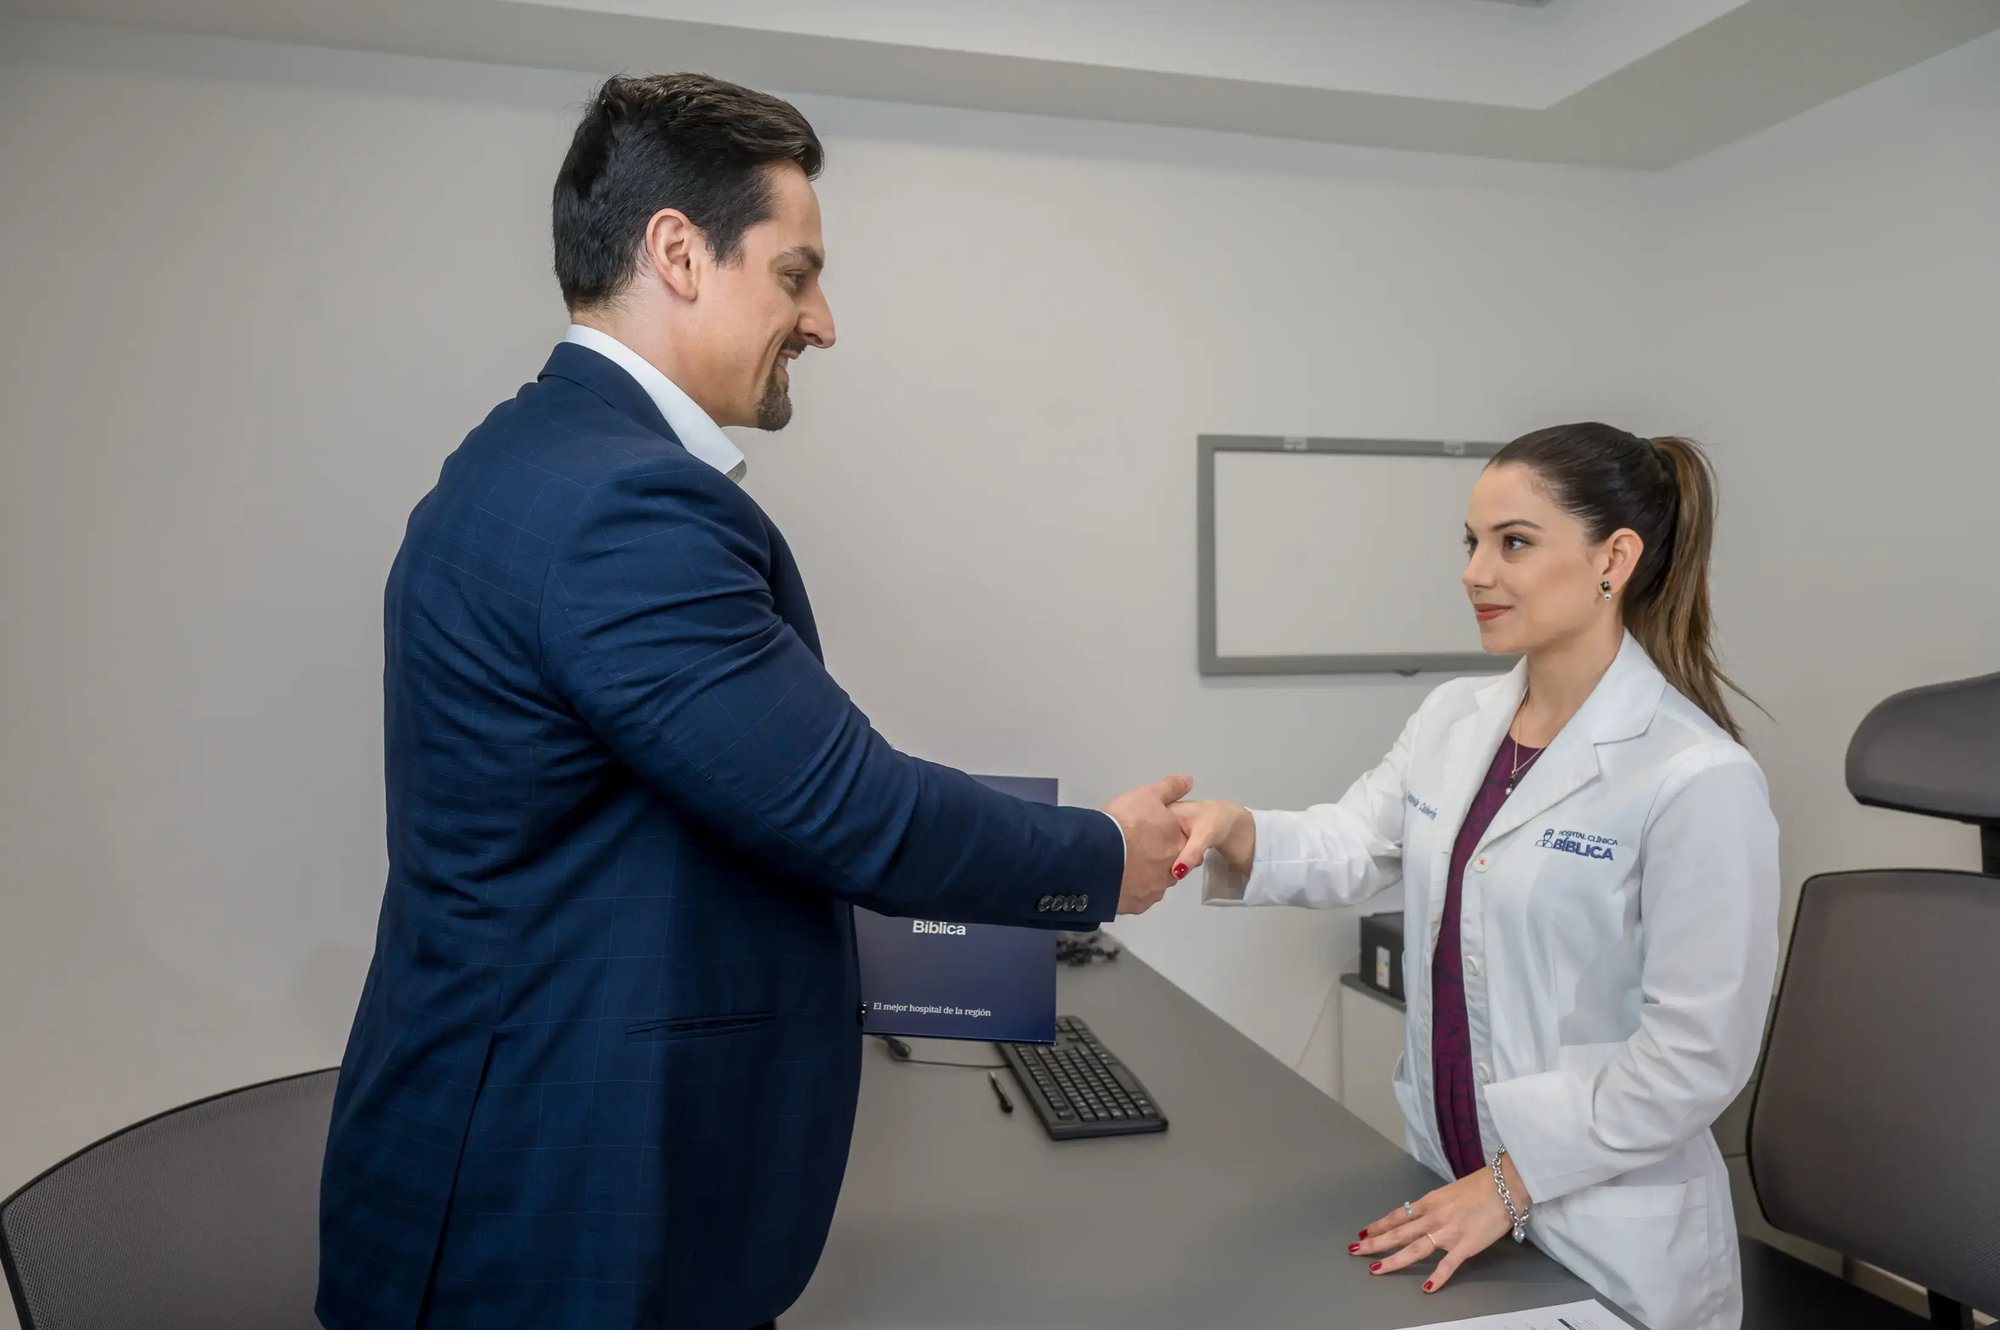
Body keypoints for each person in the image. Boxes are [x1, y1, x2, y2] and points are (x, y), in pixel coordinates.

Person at [315, 73, 1191, 1330]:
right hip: (558, 1200)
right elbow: (853, 809)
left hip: (507, 1145)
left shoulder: (523, 460)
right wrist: (1101, 858)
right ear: (678, 251)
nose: (822, 321)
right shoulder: (623, 507)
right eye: (795, 273)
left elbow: (707, 807)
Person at [1172, 424, 1780, 1330]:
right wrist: (1236, 831)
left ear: (1614, 558)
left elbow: (1696, 1054)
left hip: (1602, 1237)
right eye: (1472, 542)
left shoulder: (1697, 777)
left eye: (1515, 543)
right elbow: (1360, 841)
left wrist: (1512, 1183)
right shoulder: (1455, 718)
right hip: (1454, 1193)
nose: (1474, 571)